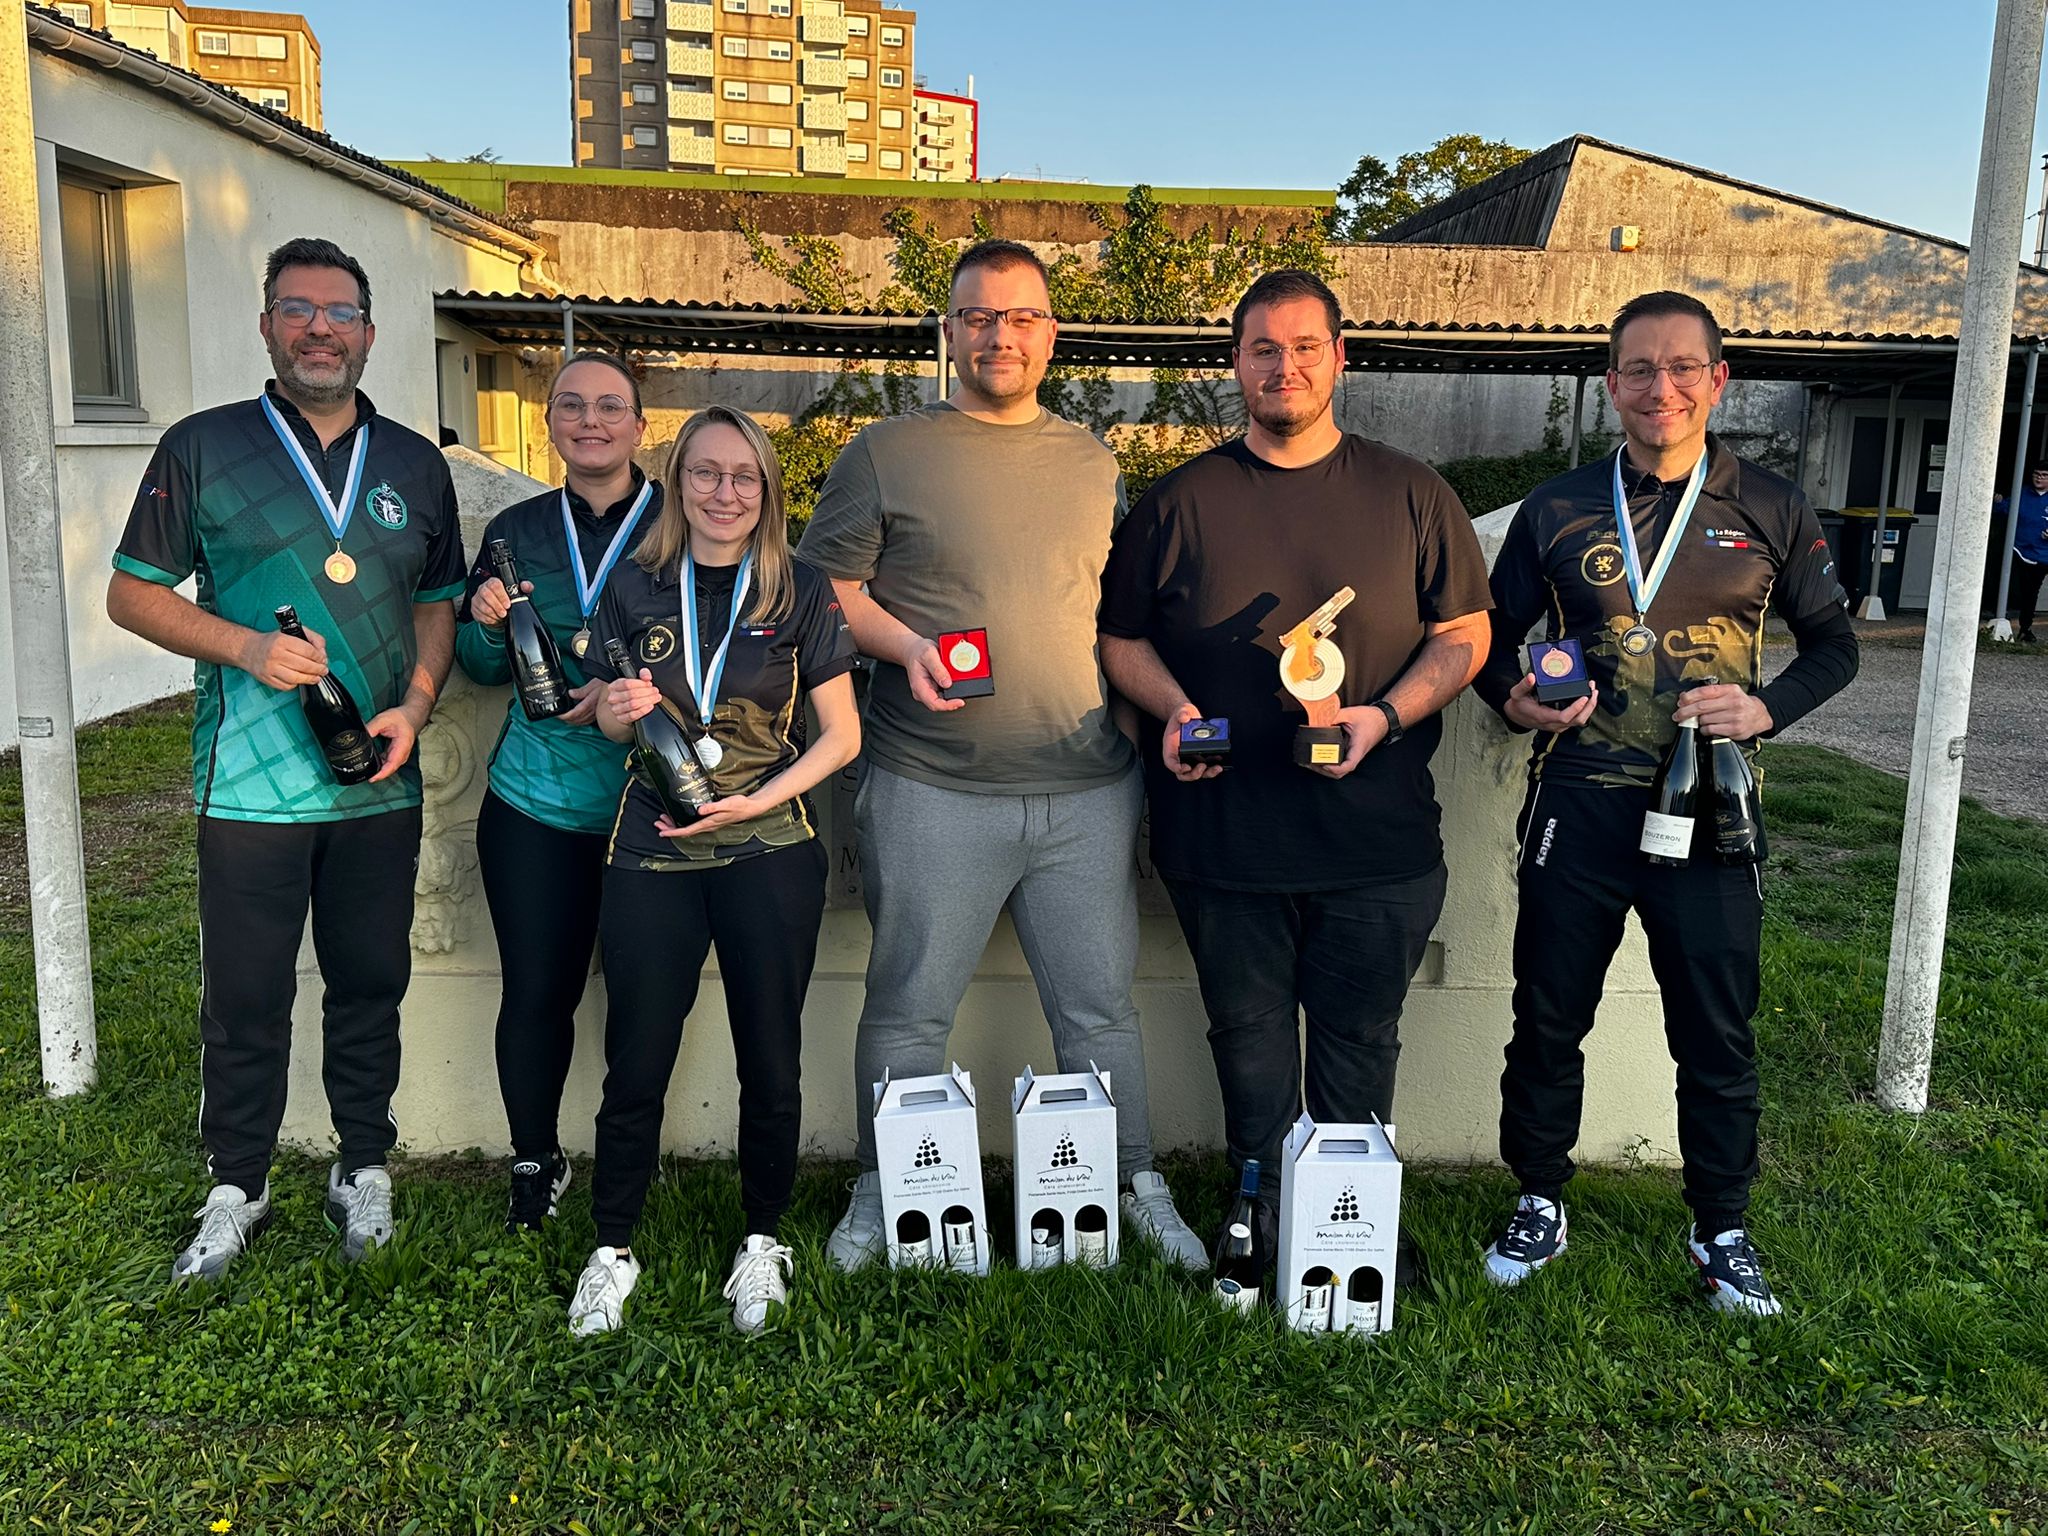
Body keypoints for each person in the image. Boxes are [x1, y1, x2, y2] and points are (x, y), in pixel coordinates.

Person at [796, 239, 1206, 1272]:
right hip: (929, 783)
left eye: (1020, 317)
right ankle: (879, 1187)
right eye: (978, 316)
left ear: (1050, 335)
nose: (999, 335)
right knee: (905, 1007)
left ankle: (1131, 1182)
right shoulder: (885, 453)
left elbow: (1111, 613)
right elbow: (823, 594)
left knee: (1098, 1010)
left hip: (1084, 792)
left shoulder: (1090, 460)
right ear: (947, 330)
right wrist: (906, 646)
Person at [1473, 290, 1859, 1317]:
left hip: (1711, 809)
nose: (1660, 387)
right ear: (1610, 386)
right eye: (1637, 369)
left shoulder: (1770, 505)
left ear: (1716, 380)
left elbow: (1835, 647)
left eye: (1682, 366)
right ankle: (1538, 1196)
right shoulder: (1554, 508)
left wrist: (1766, 707)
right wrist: (1511, 696)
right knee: (1548, 1016)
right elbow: (1487, 640)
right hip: (1578, 803)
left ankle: (1720, 1225)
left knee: (1715, 1028)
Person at [1099, 269, 1493, 1272]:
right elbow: (1118, 643)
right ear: (1235, 363)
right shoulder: (1180, 500)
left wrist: (1384, 713)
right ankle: (1259, 1209)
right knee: (1247, 1036)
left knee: (1361, 1040)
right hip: (1223, 839)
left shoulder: (1411, 493)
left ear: (1339, 358)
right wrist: (1177, 712)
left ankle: (1351, 1215)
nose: (1284, 366)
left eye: (1304, 346)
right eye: (1262, 349)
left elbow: (1464, 633)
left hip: (1378, 838)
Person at [106, 237, 465, 1280]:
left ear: (367, 330)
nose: (320, 329)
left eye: (340, 312)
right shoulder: (201, 446)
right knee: (248, 993)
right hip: (250, 786)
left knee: (369, 981)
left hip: (373, 783)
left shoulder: (411, 463)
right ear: (266, 323)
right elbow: (134, 595)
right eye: (298, 309)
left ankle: (364, 1164)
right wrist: (246, 648)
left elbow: (439, 605)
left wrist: (415, 702)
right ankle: (239, 1181)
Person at [574, 406, 860, 1336]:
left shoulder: (801, 590)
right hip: (652, 851)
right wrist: (617, 708)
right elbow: (611, 722)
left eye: (744, 476)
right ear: (679, 481)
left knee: (770, 1058)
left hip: (767, 848)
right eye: (705, 473)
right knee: (636, 1058)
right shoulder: (635, 584)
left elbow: (842, 736)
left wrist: (766, 797)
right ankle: (612, 1248)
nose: (724, 492)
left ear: (767, 488)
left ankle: (762, 1241)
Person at [454, 352, 661, 1230]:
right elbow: (476, 666)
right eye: (571, 405)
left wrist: (579, 649)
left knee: (645, 1002)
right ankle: (535, 1158)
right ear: (549, 423)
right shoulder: (515, 529)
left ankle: (629, 1160)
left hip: (651, 804)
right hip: (534, 805)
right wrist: (486, 621)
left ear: (641, 426)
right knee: (538, 992)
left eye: (611, 406)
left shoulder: (684, 522)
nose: (591, 420)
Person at [1992, 462, 2048, 643]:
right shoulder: (2022, 493)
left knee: (2032, 591)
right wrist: (1996, 501)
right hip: (2020, 550)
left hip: (2043, 554)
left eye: (2044, 475)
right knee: (2021, 590)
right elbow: (2003, 509)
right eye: (2036, 474)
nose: (2039, 478)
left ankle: (2026, 627)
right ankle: (2016, 625)